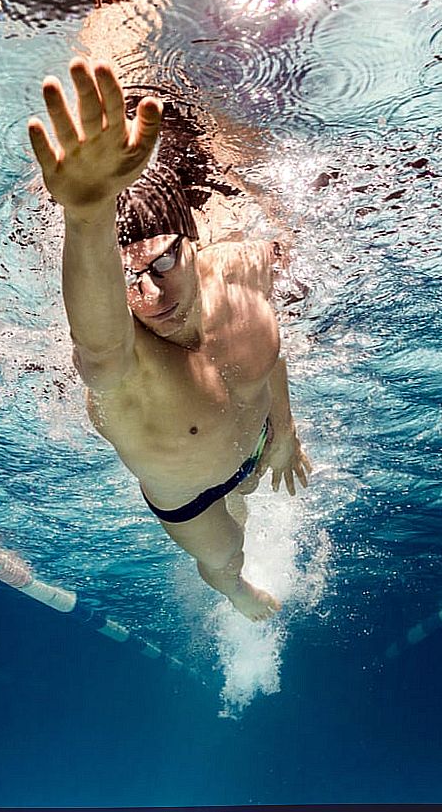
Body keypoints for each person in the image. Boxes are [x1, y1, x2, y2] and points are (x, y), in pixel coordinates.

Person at [28, 58, 311, 621]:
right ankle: (234, 592)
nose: (150, 296)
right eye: (129, 279)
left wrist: (286, 431)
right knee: (227, 555)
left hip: (259, 439)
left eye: (162, 264)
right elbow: (100, 348)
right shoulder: (129, 369)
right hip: (192, 501)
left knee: (250, 500)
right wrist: (86, 215)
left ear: (194, 240)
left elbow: (265, 356)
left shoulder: (243, 267)